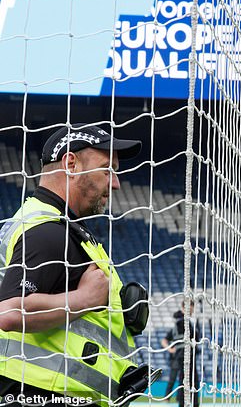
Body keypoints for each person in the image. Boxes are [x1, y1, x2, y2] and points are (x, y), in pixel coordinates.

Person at [0, 123, 147, 405]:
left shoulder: (52, 225)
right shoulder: (48, 231)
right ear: (71, 163)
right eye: (107, 169)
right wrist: (83, 299)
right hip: (38, 395)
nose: (115, 183)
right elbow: (9, 312)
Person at [161, 300, 200, 407]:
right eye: (189, 306)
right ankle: (183, 402)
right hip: (182, 356)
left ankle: (187, 402)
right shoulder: (181, 321)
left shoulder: (190, 322)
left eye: (192, 306)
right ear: (183, 307)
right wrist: (171, 349)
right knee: (186, 381)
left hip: (188, 355)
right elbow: (165, 340)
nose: (191, 308)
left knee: (189, 381)